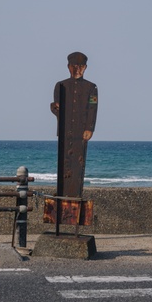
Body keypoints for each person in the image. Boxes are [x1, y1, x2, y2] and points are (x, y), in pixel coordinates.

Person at [50, 52, 98, 198]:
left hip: (81, 132)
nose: (77, 69)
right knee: (64, 163)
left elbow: (93, 108)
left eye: (81, 66)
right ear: (68, 67)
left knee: (78, 164)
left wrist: (90, 128)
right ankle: (62, 194)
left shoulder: (91, 87)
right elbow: (57, 108)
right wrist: (54, 108)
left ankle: (75, 195)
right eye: (74, 66)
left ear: (85, 68)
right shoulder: (61, 85)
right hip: (65, 131)